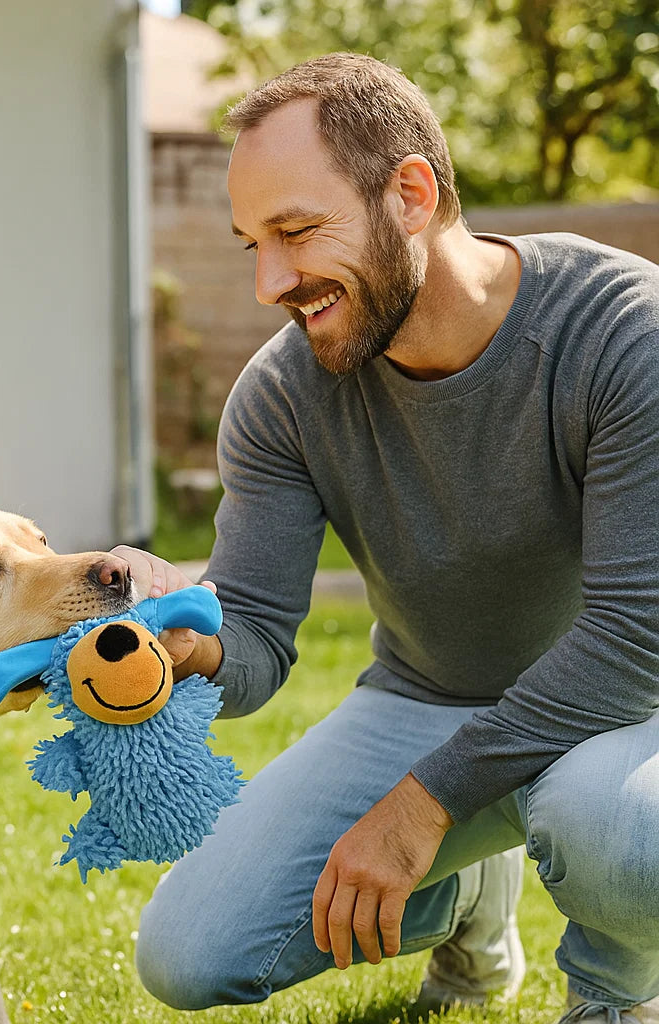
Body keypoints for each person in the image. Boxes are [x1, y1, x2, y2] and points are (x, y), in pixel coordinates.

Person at [114, 52, 659, 1024]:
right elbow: (257, 644)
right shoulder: (283, 396)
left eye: (295, 231)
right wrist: (183, 639)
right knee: (189, 955)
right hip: (428, 698)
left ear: (409, 193)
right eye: (251, 245)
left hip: (629, 709)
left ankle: (613, 992)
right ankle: (468, 906)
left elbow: (633, 637)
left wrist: (421, 805)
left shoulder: (622, 333)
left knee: (610, 828)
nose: (270, 282)